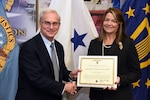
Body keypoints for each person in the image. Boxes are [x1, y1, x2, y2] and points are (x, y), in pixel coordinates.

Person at [15, 8, 80, 100]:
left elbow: (58, 71)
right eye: (47, 23)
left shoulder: (59, 47)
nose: (51, 27)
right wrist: (64, 87)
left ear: (59, 25)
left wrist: (70, 74)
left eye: (55, 23)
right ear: (40, 23)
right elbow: (36, 78)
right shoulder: (29, 47)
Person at [88, 8, 141, 100]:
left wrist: (120, 79)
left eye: (114, 21)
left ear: (119, 24)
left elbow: (136, 73)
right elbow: (89, 69)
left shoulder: (128, 44)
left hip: (120, 96)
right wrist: (77, 82)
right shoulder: (94, 43)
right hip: (97, 96)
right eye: (107, 20)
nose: (109, 24)